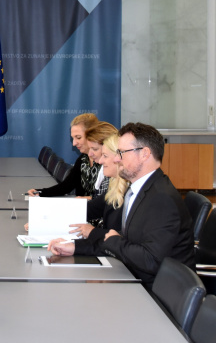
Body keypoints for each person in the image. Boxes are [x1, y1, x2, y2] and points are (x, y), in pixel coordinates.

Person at [61, 122, 194, 287]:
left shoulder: (162, 199)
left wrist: (114, 240)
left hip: (156, 295)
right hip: (132, 276)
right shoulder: (139, 190)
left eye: (122, 153)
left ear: (145, 154)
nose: (116, 159)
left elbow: (151, 260)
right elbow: (123, 243)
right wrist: (75, 247)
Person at [48, 134, 129, 256]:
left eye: (105, 156)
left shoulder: (130, 192)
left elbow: (122, 239)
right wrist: (44, 219)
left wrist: (92, 232)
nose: (100, 161)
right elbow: (89, 209)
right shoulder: (114, 187)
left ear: (119, 158)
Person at [27, 116, 111, 199]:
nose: (74, 143)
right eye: (73, 138)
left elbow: (108, 198)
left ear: (92, 135)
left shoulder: (107, 164)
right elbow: (66, 186)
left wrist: (89, 199)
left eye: (78, 137)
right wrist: (40, 192)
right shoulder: (83, 159)